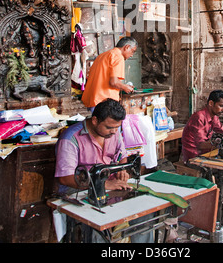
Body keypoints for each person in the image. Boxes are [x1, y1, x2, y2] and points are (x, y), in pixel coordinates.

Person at [55, 98, 154, 243]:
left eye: (117, 127)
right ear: (94, 120)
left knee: (143, 214)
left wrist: (123, 171)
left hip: (109, 189)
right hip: (76, 193)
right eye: (109, 127)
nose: (114, 132)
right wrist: (103, 185)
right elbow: (65, 178)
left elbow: (122, 157)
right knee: (99, 225)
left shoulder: (114, 133)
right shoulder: (71, 138)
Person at [81, 36, 138, 112]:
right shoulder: (118, 56)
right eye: (132, 51)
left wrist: (124, 86)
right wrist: (125, 87)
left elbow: (104, 78)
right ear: (127, 47)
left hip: (93, 100)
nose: (131, 55)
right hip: (104, 102)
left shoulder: (102, 56)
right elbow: (113, 82)